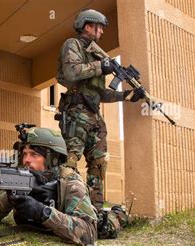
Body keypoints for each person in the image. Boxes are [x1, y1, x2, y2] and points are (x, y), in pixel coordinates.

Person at [56, 9, 145, 211]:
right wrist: (101, 66)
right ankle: (66, 208)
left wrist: (127, 96)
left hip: (94, 114)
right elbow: (71, 72)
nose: (102, 32)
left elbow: (101, 93)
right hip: (76, 111)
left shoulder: (97, 54)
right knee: (70, 161)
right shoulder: (73, 45)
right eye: (99, 27)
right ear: (88, 26)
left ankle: (94, 210)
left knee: (99, 163)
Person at [0, 126, 102, 246]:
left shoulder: (70, 183)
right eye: (24, 153)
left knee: (108, 223)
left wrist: (42, 212)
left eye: (34, 154)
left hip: (99, 222)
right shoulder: (21, 176)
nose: (26, 160)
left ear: (52, 159)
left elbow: (89, 233)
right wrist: (11, 196)